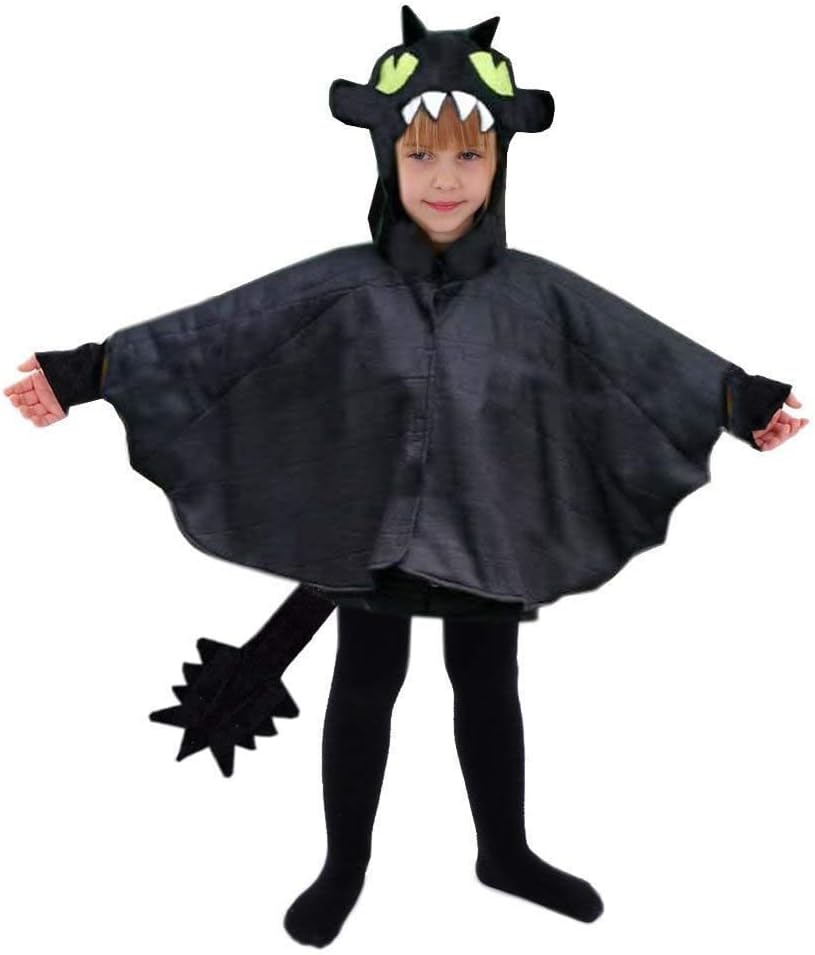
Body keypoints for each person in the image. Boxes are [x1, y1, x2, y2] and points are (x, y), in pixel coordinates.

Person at [3, 5, 807, 950]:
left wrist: (734, 398)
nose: (444, 179)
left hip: (490, 524)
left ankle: (503, 851)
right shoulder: (342, 285)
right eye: (421, 155)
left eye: (467, 156)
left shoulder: (537, 294)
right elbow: (218, 333)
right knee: (365, 682)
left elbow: (636, 354)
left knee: (487, 683)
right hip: (369, 526)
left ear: (500, 163)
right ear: (387, 157)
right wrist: (90, 371)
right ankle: (344, 864)